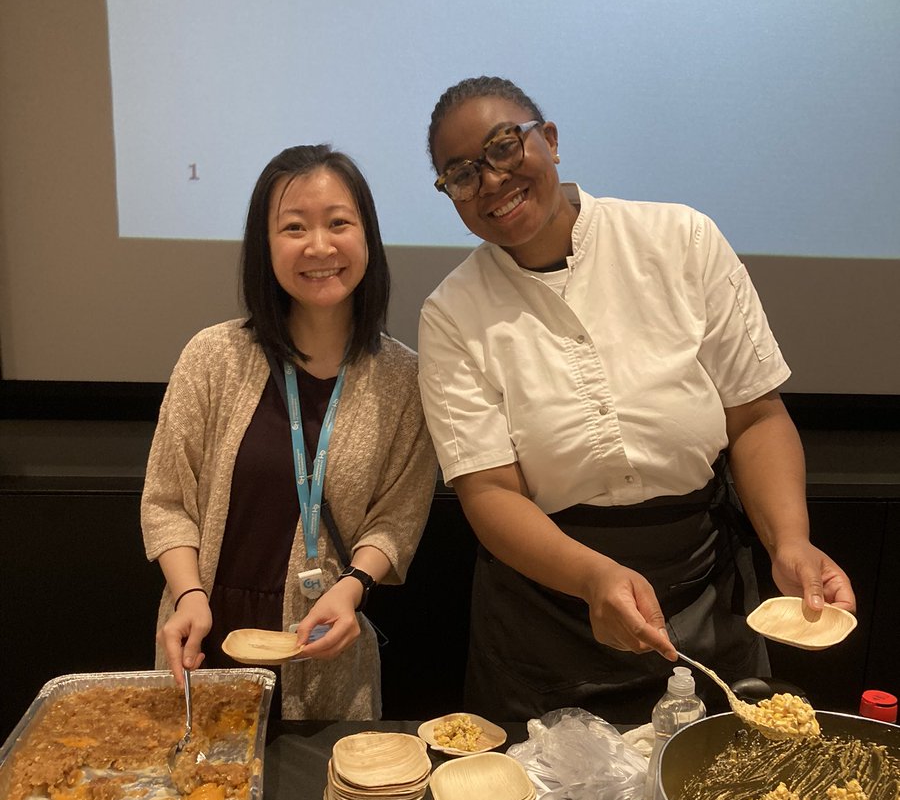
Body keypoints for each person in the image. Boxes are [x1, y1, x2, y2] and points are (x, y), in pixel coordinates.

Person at [418, 76, 856, 722]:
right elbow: (490, 492)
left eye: (504, 147)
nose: (490, 181)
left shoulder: (680, 240)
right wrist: (593, 577)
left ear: (552, 141)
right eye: (461, 174)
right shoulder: (453, 312)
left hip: (702, 586)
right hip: (547, 607)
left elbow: (756, 415)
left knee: (722, 794)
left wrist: (788, 541)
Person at [142, 144, 436, 719]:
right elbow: (167, 501)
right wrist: (188, 593)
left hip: (324, 639)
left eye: (339, 223)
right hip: (201, 628)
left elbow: (396, 517)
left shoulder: (404, 377)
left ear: (367, 237)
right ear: (265, 246)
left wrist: (353, 588)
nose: (320, 247)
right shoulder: (214, 357)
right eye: (294, 227)